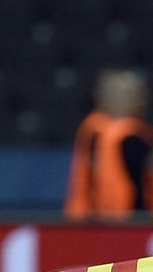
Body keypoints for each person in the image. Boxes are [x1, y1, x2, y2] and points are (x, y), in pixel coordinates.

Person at [64, 68, 153, 220]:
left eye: (138, 93)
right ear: (103, 96)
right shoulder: (98, 132)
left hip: (138, 219)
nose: (138, 99)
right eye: (125, 93)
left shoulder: (138, 132)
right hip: (113, 220)